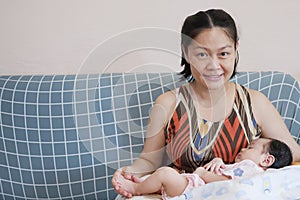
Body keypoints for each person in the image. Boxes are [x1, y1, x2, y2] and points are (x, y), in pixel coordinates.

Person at [112, 8, 300, 198]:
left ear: (236, 48)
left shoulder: (255, 103)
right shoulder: (168, 103)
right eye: (202, 54)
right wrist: (129, 172)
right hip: (183, 192)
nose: (214, 66)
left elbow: (292, 153)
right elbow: (149, 161)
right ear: (186, 52)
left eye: (223, 54)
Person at [114, 138, 292, 199]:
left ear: (267, 159)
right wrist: (218, 161)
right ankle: (144, 183)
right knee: (165, 177)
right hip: (192, 185)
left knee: (165, 174)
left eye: (250, 147)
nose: (243, 149)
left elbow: (226, 181)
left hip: (193, 187)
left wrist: (202, 173)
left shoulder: (252, 170)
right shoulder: (247, 170)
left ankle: (136, 188)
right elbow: (227, 173)